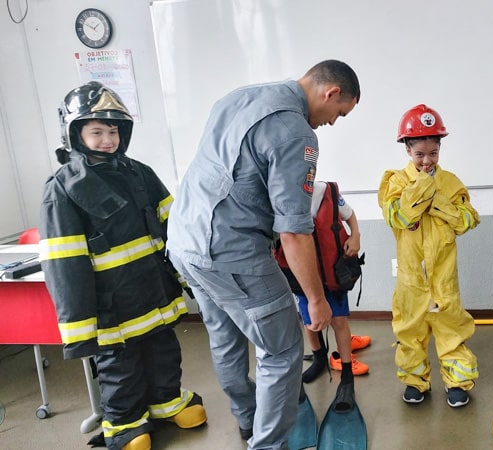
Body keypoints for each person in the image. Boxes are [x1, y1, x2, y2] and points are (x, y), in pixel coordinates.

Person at [166, 60, 360, 449]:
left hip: (184, 242)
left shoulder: (238, 98)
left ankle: (248, 419)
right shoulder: (296, 132)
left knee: (224, 336)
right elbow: (293, 229)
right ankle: (268, 444)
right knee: (283, 348)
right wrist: (317, 300)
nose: (333, 123)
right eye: (339, 113)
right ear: (331, 92)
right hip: (231, 251)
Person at [39, 82, 206, 450]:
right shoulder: (63, 189)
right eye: (96, 131)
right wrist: (79, 326)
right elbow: (64, 264)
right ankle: (126, 425)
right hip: (111, 306)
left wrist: (191, 277)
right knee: (120, 367)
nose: (107, 139)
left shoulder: (140, 173)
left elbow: (173, 227)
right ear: (75, 135)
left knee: (164, 353)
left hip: (155, 293)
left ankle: (167, 403)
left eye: (113, 130)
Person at [377, 104, 480, 408]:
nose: (426, 161)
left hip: (444, 275)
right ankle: (415, 381)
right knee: (410, 330)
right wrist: (422, 187)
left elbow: (467, 220)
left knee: (451, 328)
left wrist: (438, 202)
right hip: (412, 278)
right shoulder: (395, 182)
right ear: (407, 149)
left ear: (439, 149)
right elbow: (398, 218)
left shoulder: (451, 182)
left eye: (432, 153)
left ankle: (458, 382)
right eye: (419, 154)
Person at [293, 181, 368, 403]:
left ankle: (346, 375)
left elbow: (349, 214)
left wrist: (356, 236)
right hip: (304, 277)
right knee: (309, 322)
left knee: (339, 321)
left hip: (333, 272)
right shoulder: (279, 195)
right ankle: (319, 358)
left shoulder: (324, 191)